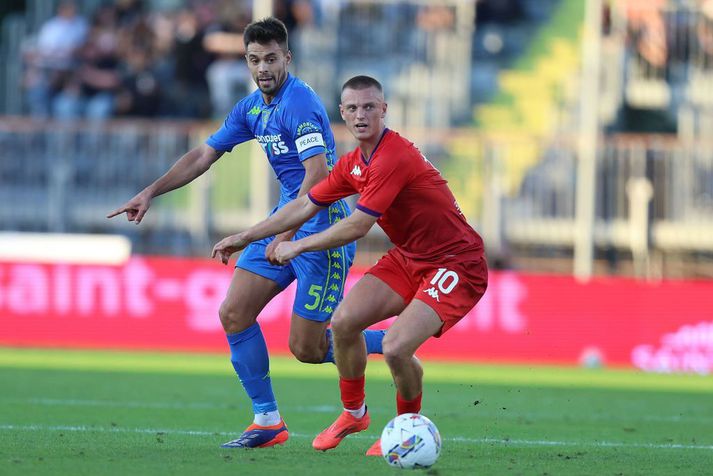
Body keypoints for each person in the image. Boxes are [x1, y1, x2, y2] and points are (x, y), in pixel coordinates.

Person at [108, 19, 385, 449]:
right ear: (246, 61)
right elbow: (204, 153)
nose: (263, 68)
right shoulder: (251, 108)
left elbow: (317, 179)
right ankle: (268, 421)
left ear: (287, 58)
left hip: (322, 233)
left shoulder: (301, 104)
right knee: (233, 313)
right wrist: (151, 192)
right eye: (254, 60)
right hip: (282, 223)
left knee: (307, 349)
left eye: (271, 58)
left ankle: (389, 340)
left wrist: (284, 236)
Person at [211, 75, 488, 455]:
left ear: (384, 110)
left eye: (370, 107)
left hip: (456, 262)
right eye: (353, 108)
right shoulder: (354, 163)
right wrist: (246, 237)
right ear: (342, 113)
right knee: (342, 324)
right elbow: (306, 204)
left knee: (394, 347)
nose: (361, 115)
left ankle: (406, 426)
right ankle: (354, 413)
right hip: (409, 255)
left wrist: (297, 245)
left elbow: (358, 225)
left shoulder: (393, 156)